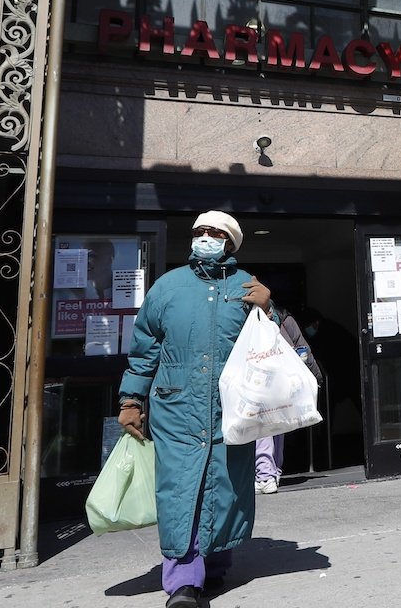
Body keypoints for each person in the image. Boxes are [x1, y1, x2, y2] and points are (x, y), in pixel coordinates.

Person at [117, 210, 272, 608]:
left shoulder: (247, 287)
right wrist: (132, 399)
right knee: (181, 488)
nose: (205, 237)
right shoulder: (167, 287)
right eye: (200, 231)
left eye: (215, 233)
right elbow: (145, 347)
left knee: (225, 486)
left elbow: (267, 351)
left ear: (231, 242)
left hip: (231, 409)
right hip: (177, 406)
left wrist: (268, 312)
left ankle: (215, 565)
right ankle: (183, 581)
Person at [253, 303, 325, 495]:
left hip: (263, 381)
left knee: (265, 427)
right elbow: (303, 349)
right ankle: (273, 472)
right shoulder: (286, 319)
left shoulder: (253, 321)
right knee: (278, 426)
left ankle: (265, 475)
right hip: (283, 382)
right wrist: (316, 376)